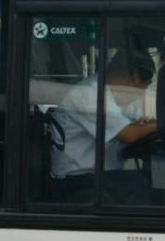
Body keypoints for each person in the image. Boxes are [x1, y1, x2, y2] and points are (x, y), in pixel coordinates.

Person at [50, 48, 157, 203]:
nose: (140, 96)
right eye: (142, 89)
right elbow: (129, 134)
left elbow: (140, 124)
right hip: (76, 181)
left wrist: (150, 126)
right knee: (142, 184)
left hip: (100, 175)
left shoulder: (119, 95)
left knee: (144, 178)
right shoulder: (89, 93)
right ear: (132, 79)